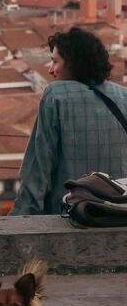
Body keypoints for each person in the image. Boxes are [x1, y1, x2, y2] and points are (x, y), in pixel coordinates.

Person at [10, 26, 127, 215]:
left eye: (55, 61)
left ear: (73, 63)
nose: (50, 69)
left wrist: (21, 219)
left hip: (70, 213)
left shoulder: (56, 95)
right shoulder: (124, 96)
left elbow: (39, 166)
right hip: (118, 215)